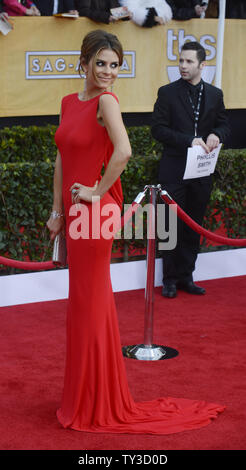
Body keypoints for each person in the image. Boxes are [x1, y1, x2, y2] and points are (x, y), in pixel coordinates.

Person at [47, 30, 224, 433]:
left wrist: (94, 191)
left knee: (89, 303)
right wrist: (57, 210)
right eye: (101, 63)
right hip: (75, 212)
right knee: (83, 303)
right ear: (85, 61)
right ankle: (87, 394)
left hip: (94, 212)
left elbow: (123, 151)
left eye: (114, 65)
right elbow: (62, 156)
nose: (108, 72)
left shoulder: (106, 102)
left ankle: (96, 401)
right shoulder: (69, 102)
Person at [152, 41, 230, 299]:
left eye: (189, 62)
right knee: (170, 225)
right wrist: (188, 139)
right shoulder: (167, 93)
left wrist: (216, 135)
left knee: (194, 225)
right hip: (173, 169)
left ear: (202, 65)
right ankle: (169, 279)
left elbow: (224, 125)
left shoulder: (215, 95)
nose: (183, 66)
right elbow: (158, 130)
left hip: (202, 172)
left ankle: (187, 276)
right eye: (181, 61)